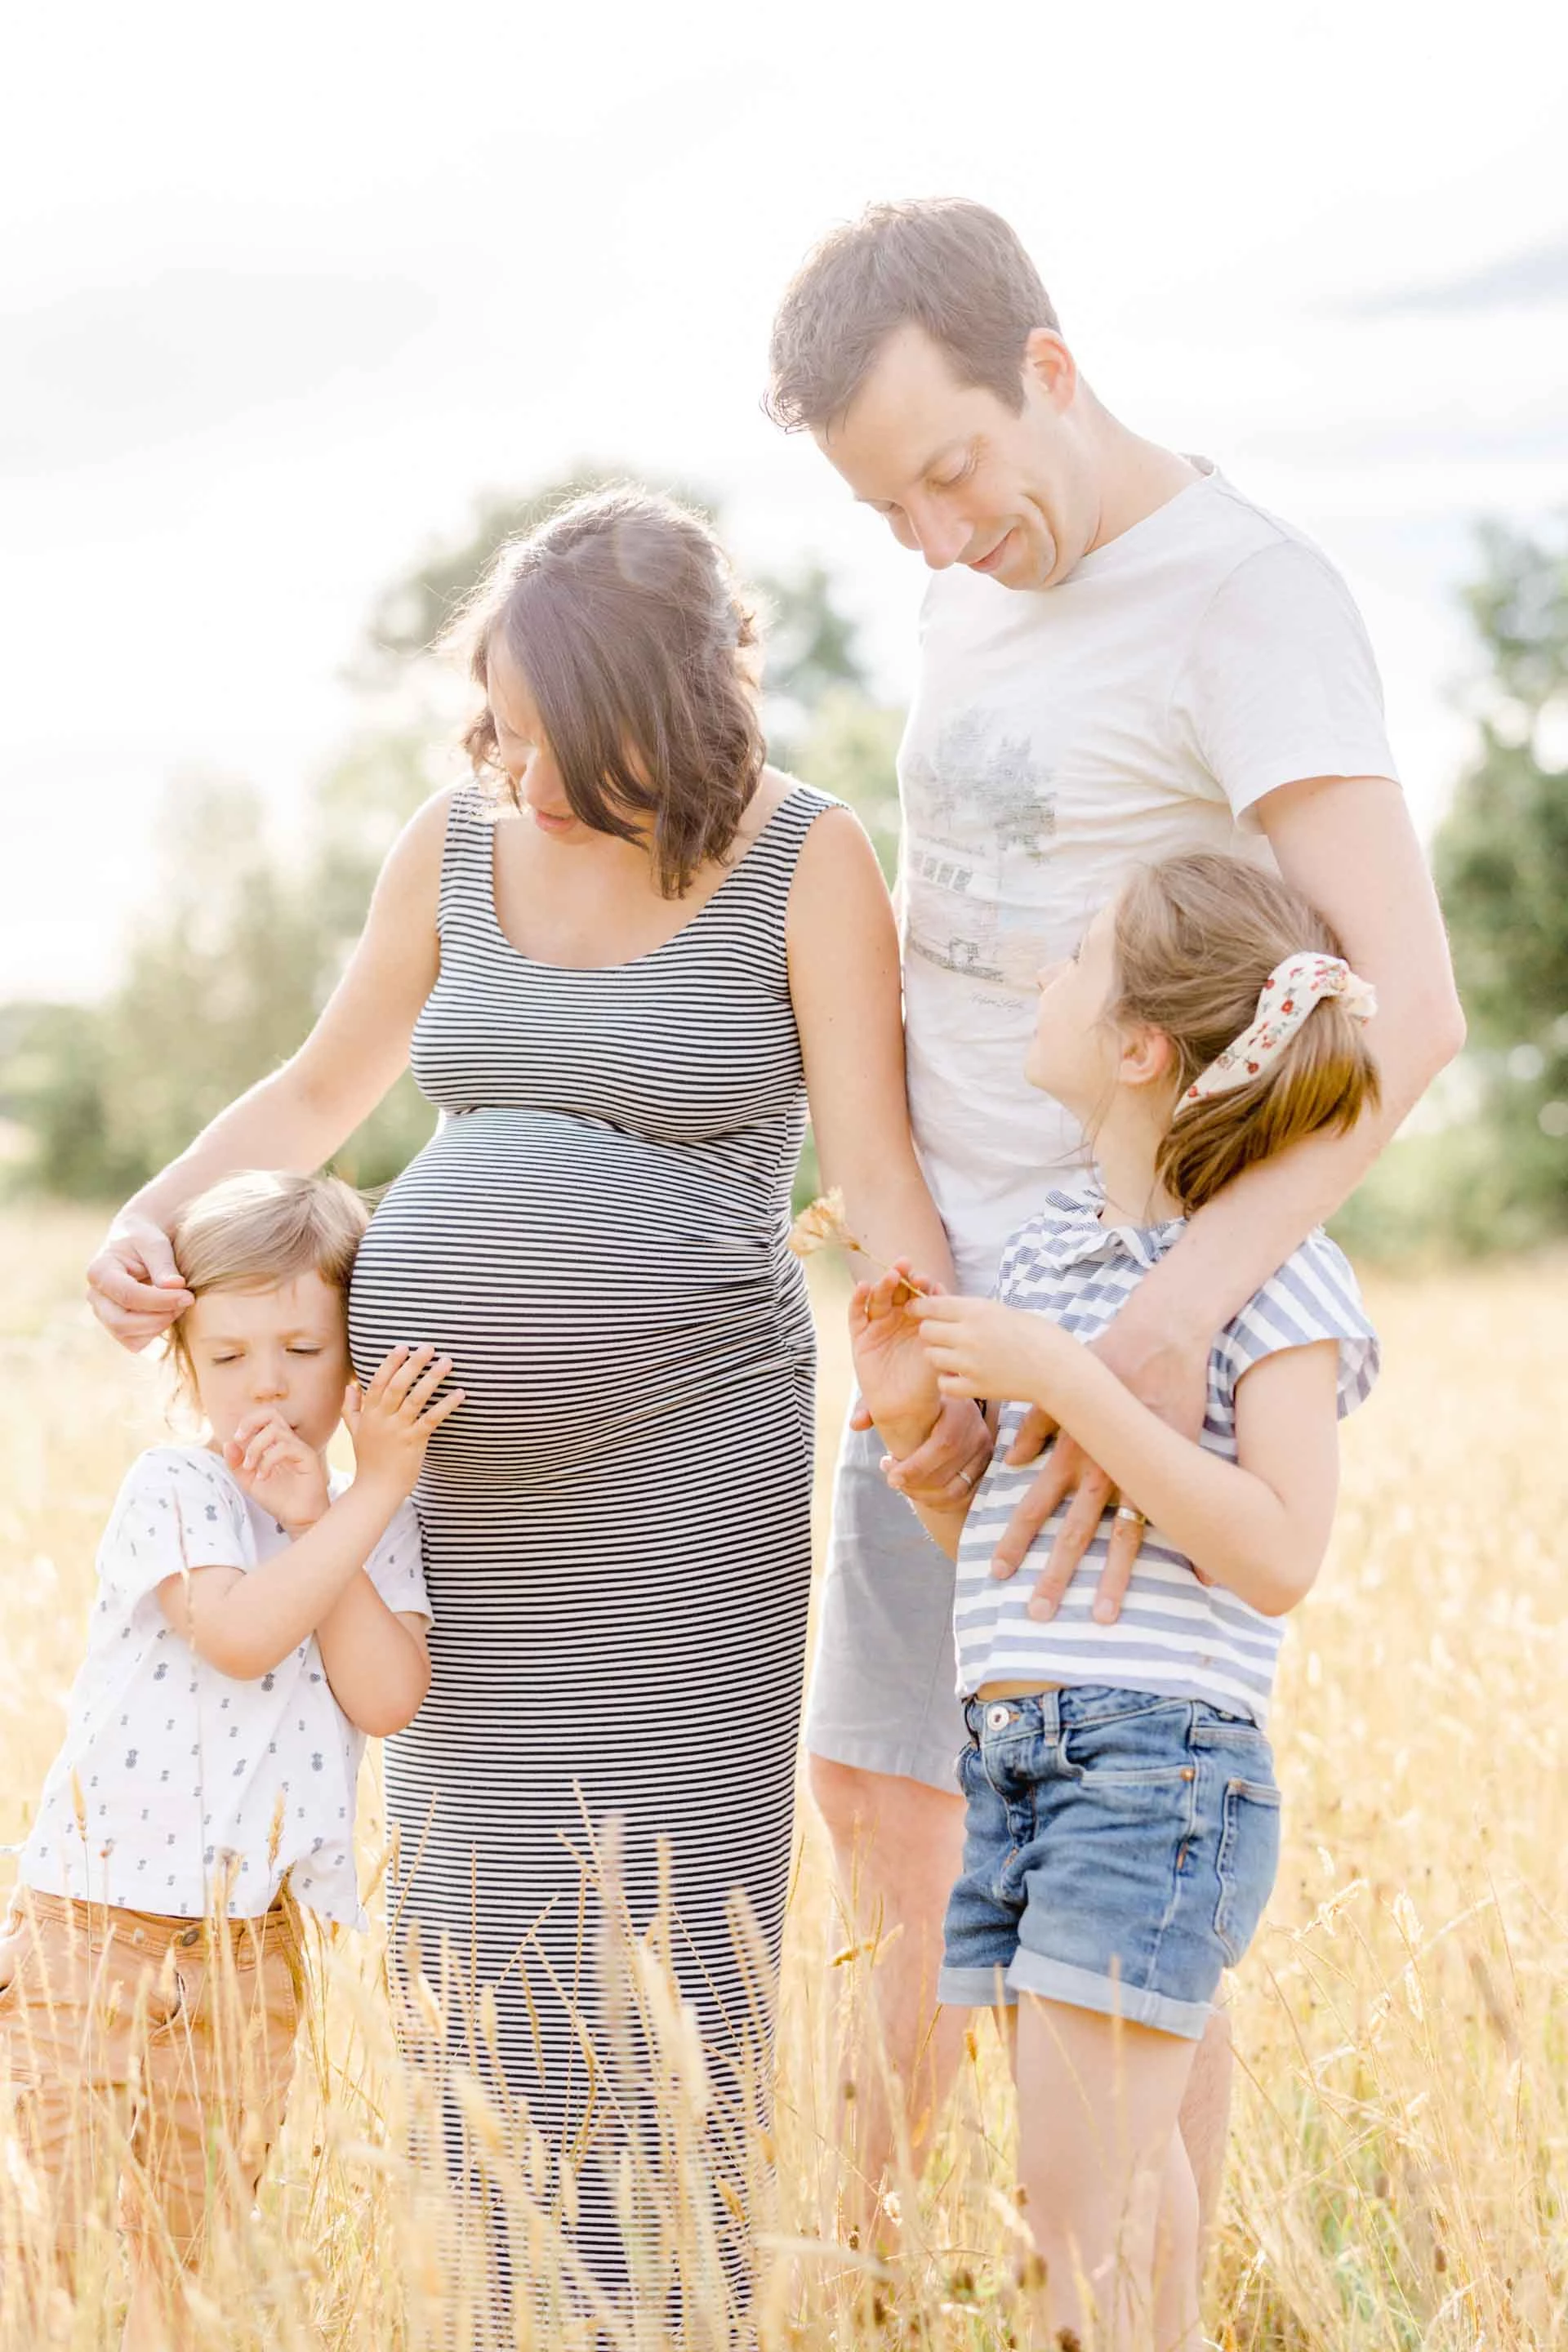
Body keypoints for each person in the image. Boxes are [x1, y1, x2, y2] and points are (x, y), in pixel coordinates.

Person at [82, 488, 980, 2314]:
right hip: (455, 1502)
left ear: (680, 710)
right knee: (479, 1925)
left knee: (671, 1922)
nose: (524, 773)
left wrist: (948, 1391)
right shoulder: (454, 845)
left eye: (564, 740)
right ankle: (511, 2307)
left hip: (687, 1472)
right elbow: (325, 1082)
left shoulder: (809, 862)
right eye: (498, 727)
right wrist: (154, 1214)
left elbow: (881, 1175)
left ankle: (669, 2304)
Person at [766, 196, 1463, 2223]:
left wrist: (1159, 1335)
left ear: (1050, 369)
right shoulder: (962, 589)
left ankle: (1084, 2291)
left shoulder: (1246, 600)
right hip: (955, 1314)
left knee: (1112, 1868)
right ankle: (885, 2273)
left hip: (1119, 1338)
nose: (935, 537)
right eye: (887, 505)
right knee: (898, 1801)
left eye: (953, 472)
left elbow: (1401, 1013)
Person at [849, 849, 1382, 2348]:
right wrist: (918, 1434)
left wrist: (1069, 1378)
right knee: (1123, 2243)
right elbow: (1024, 1576)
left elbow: (1278, 1554)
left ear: (1142, 1047)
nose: (1041, 978)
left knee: (1063, 2255)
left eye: (1076, 958)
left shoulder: (1272, 1283)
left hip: (1153, 1778)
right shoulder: (1053, 1261)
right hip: (1024, 1770)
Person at [2, 1169, 444, 2352]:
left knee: (188, 2265)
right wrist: (363, 1496)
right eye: (232, 1353)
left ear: (354, 1355)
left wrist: (340, 1506)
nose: (267, 1386)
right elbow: (244, 1635)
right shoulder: (180, 1486)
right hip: (89, 1937)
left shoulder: (366, 1521)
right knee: (45, 2254)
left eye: (302, 1348)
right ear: (185, 1367)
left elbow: (389, 1694)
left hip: (252, 1956)